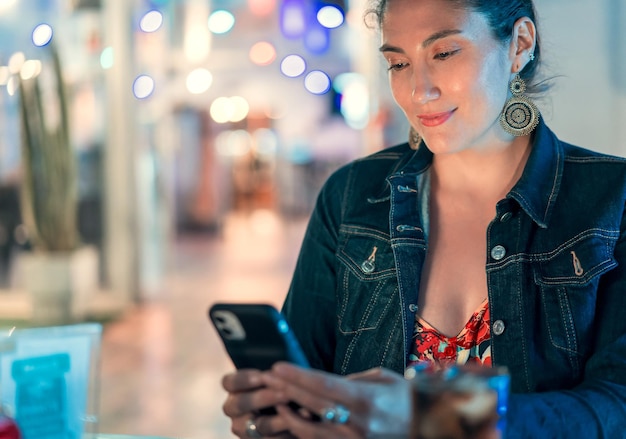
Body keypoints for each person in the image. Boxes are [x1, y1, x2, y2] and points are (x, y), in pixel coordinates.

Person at [221, 0, 626, 437]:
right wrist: (275, 416)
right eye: (398, 63)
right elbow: (308, 378)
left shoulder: (610, 197)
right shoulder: (352, 196)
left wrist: (435, 415)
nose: (418, 90)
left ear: (519, 44)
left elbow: (615, 404)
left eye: (445, 53)